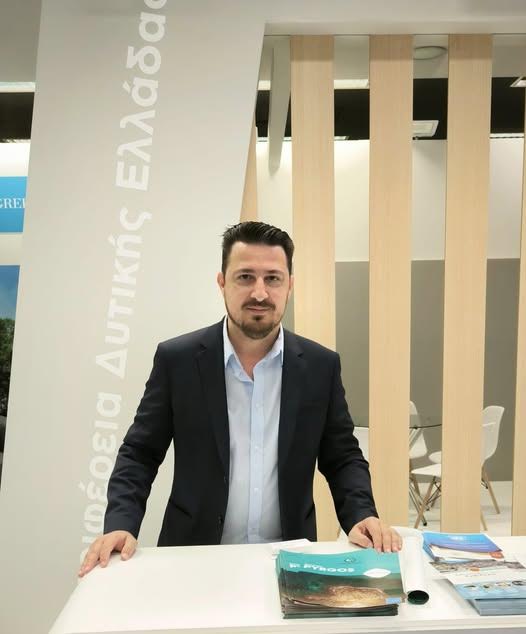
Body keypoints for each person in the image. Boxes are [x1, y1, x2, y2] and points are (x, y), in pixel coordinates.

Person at [79, 221, 400, 577]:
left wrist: (360, 514)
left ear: (290, 286)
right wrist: (121, 523)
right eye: (245, 277)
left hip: (288, 560)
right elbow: (140, 453)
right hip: (193, 559)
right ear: (222, 283)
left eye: (273, 278)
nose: (260, 293)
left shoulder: (320, 366)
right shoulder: (178, 360)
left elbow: (342, 457)